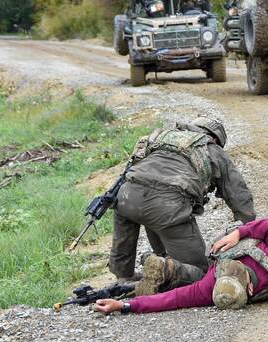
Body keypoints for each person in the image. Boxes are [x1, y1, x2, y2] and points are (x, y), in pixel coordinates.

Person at [108, 117, 255, 294]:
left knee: (140, 212)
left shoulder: (161, 137)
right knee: (202, 273)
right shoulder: (212, 149)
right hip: (166, 207)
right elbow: (239, 195)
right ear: (215, 138)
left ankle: (124, 277)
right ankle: (163, 273)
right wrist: (248, 229)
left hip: (126, 195)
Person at [93, 217, 268, 313]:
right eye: (228, 270)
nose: (224, 267)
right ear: (249, 289)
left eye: (222, 271)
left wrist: (123, 305)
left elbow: (172, 299)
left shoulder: (209, 286)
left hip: (265, 258)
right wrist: (243, 232)